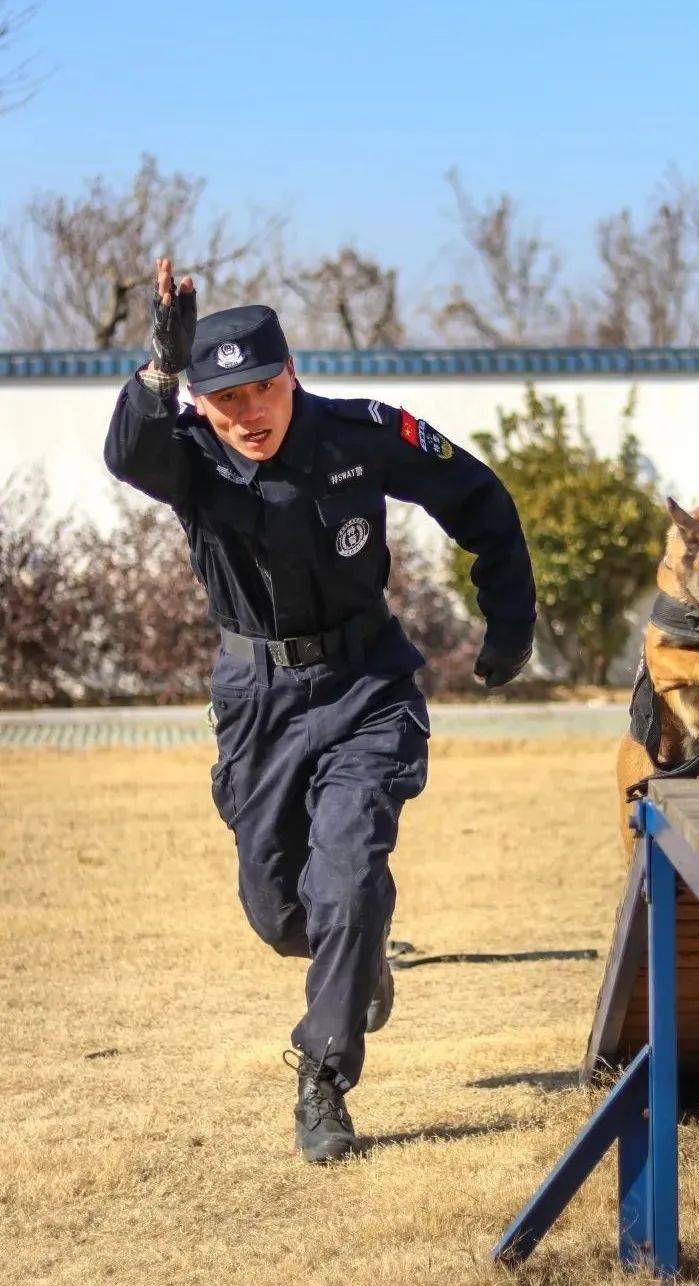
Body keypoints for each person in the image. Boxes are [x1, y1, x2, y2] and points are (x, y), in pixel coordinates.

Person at [104, 259, 535, 1163]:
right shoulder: (188, 451)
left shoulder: (360, 433)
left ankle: (323, 1076)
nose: (249, 413)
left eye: (263, 388)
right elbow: (128, 451)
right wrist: (159, 371)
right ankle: (358, 952)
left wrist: (510, 623)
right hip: (256, 698)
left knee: (345, 878)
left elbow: (480, 497)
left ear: (291, 372)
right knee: (278, 914)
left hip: (365, 686)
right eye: (227, 400)